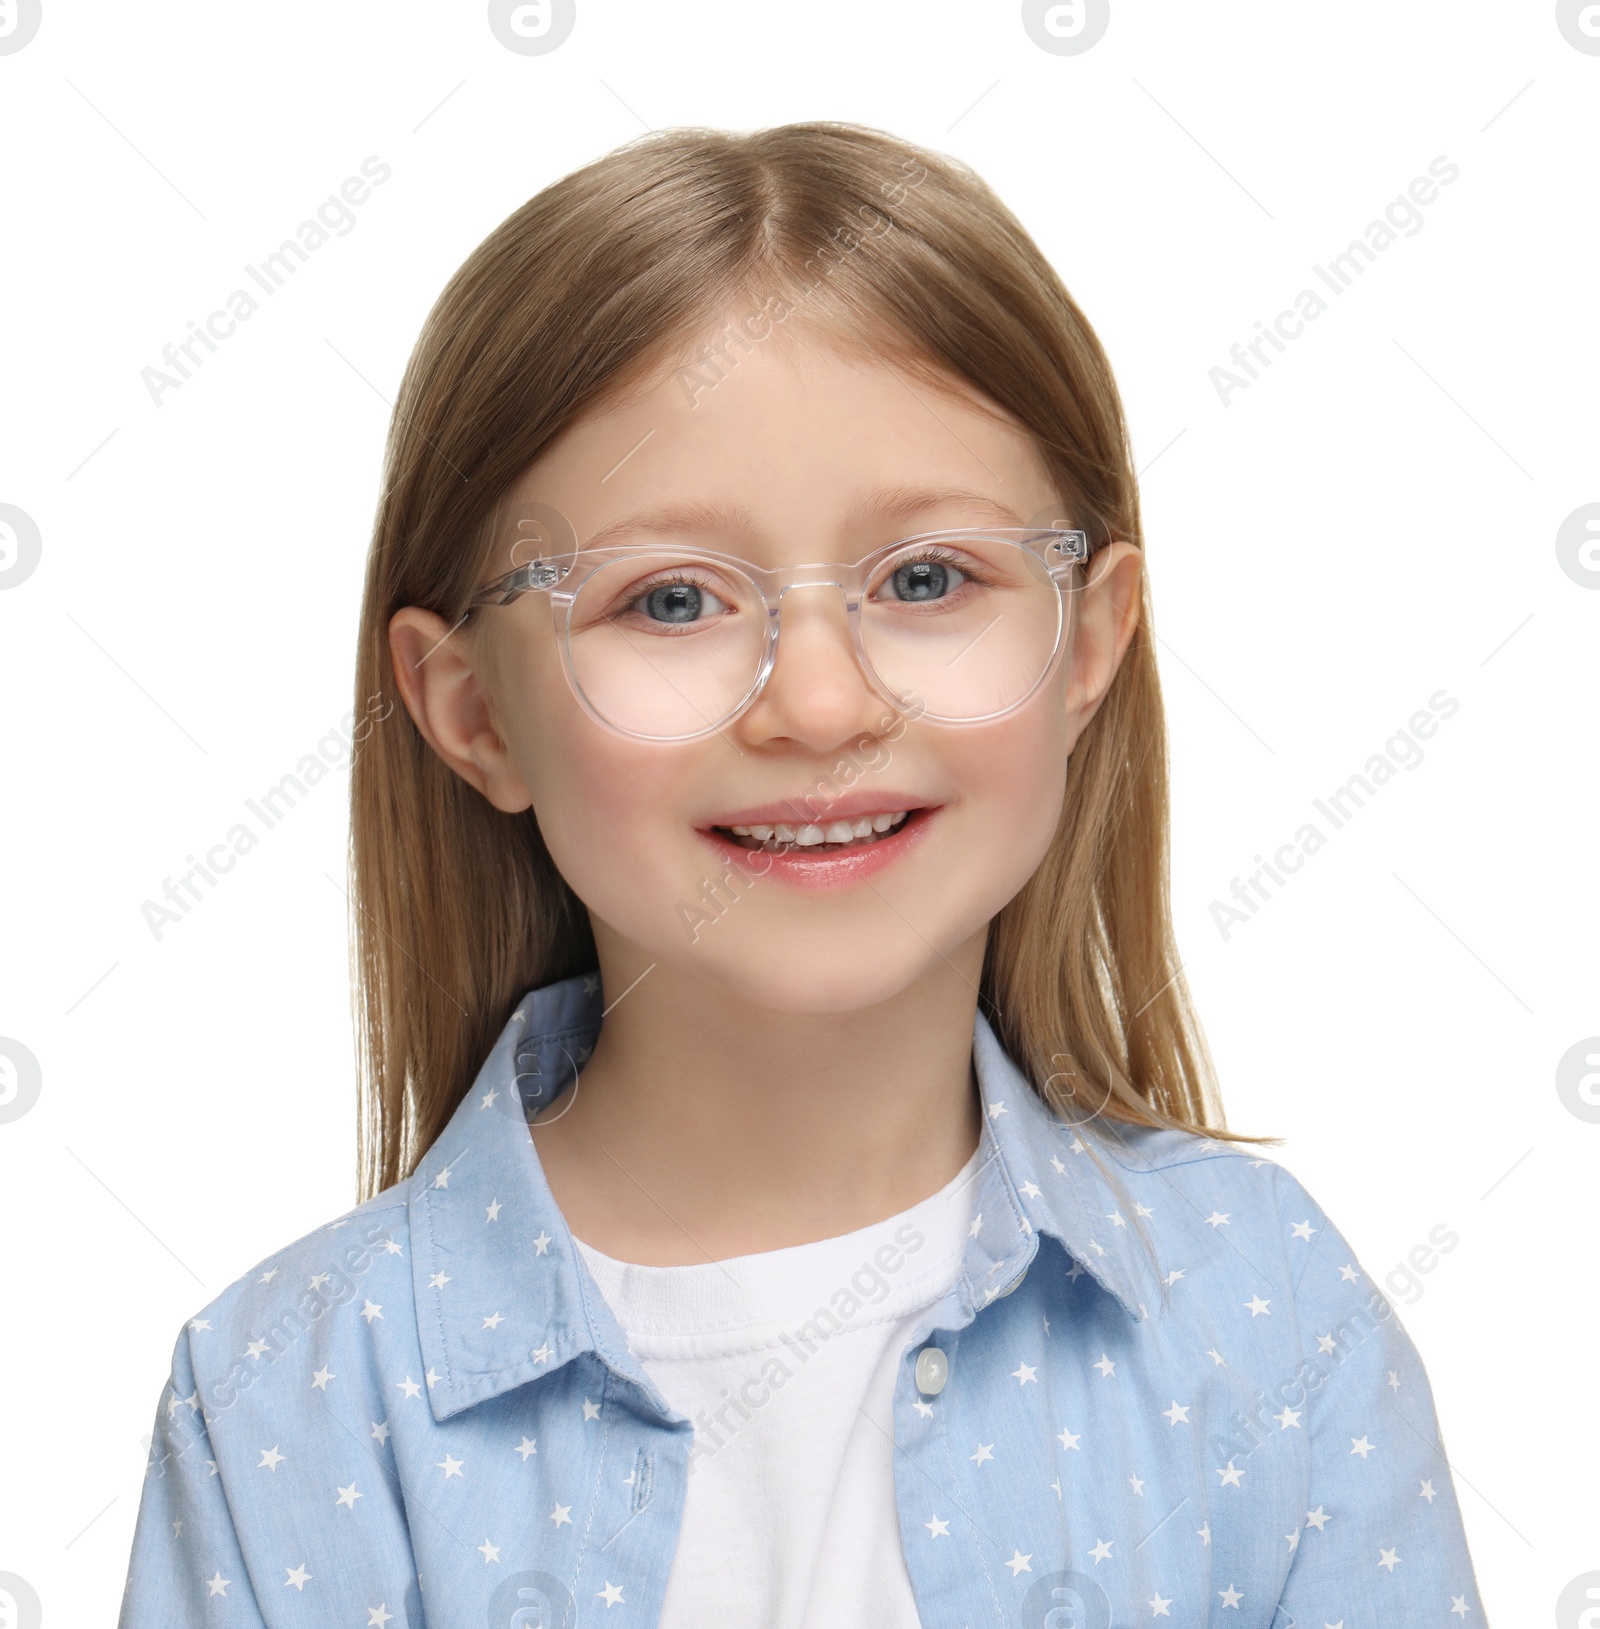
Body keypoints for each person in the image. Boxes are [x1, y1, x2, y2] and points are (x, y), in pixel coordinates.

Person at [119, 121, 1484, 1628]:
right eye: (675, 599)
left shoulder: (1263, 1316)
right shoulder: (288, 1402)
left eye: (925, 578)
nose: (822, 705)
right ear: (474, 711)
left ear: (1087, 643)